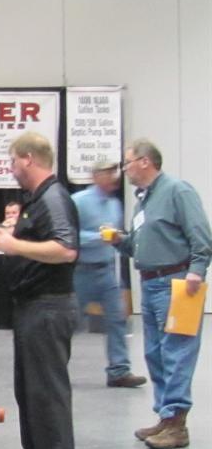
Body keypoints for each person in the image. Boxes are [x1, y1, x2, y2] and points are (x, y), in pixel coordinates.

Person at [0, 131, 78, 449]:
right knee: (30, 390)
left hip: (48, 306)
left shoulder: (54, 199)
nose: (11, 168)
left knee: (47, 391)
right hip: (33, 307)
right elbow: (23, 240)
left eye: (13, 161)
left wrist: (14, 247)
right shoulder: (37, 200)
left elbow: (65, 249)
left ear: (29, 158)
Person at [111, 139, 211, 449]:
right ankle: (165, 417)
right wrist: (120, 241)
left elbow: (201, 234)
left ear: (145, 161)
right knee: (155, 354)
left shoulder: (177, 191)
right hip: (151, 284)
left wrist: (197, 269)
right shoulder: (143, 200)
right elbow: (138, 245)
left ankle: (177, 424)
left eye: (128, 162)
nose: (125, 169)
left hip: (178, 283)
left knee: (177, 352)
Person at [71, 160, 145, 388]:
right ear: (95, 176)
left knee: (117, 319)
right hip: (81, 272)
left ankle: (119, 371)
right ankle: (53, 368)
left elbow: (116, 238)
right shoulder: (78, 201)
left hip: (106, 271)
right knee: (70, 323)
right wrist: (98, 237)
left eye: (114, 172)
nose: (114, 177)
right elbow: (69, 235)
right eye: (107, 173)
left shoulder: (115, 205)